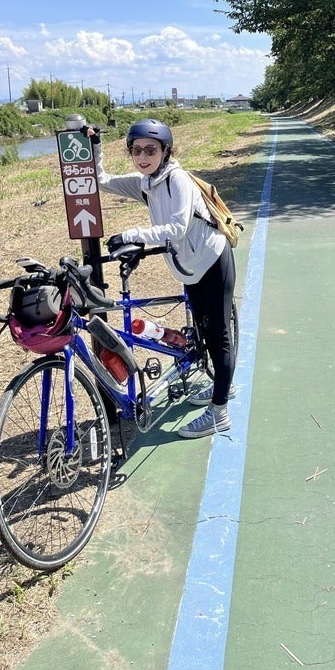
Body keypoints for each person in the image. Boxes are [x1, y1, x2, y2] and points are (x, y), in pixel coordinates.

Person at [88, 119, 236, 439]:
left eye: (150, 150)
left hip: (212, 260)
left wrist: (132, 234)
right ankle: (222, 386)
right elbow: (101, 180)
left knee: (219, 335)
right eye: (136, 150)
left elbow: (177, 229)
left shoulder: (177, 180)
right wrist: (95, 145)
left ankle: (219, 411)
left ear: (166, 151)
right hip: (190, 267)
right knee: (203, 329)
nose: (142, 157)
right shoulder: (146, 182)